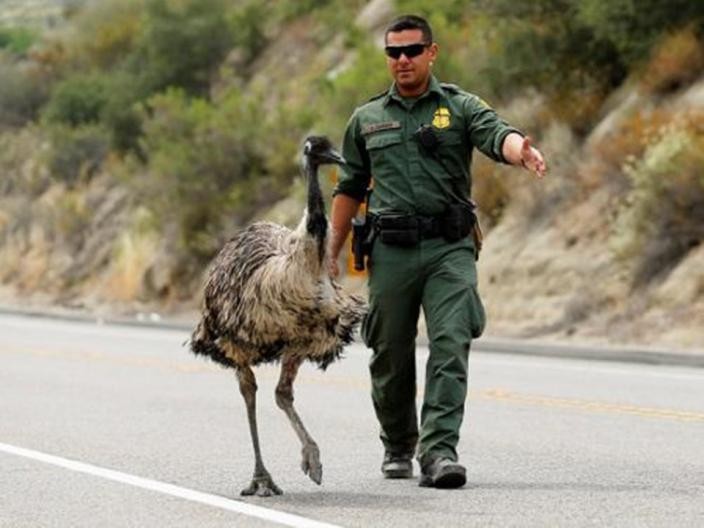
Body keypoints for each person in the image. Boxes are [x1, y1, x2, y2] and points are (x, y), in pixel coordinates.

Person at [328, 14, 546, 489]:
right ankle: (398, 444)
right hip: (392, 251)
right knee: (389, 352)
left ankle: (440, 450)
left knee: (451, 342)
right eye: (393, 52)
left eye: (412, 50)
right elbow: (349, 186)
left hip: (450, 248)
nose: (402, 60)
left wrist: (520, 150)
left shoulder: (458, 106)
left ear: (432, 52)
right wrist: (330, 253)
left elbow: (496, 133)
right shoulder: (366, 119)